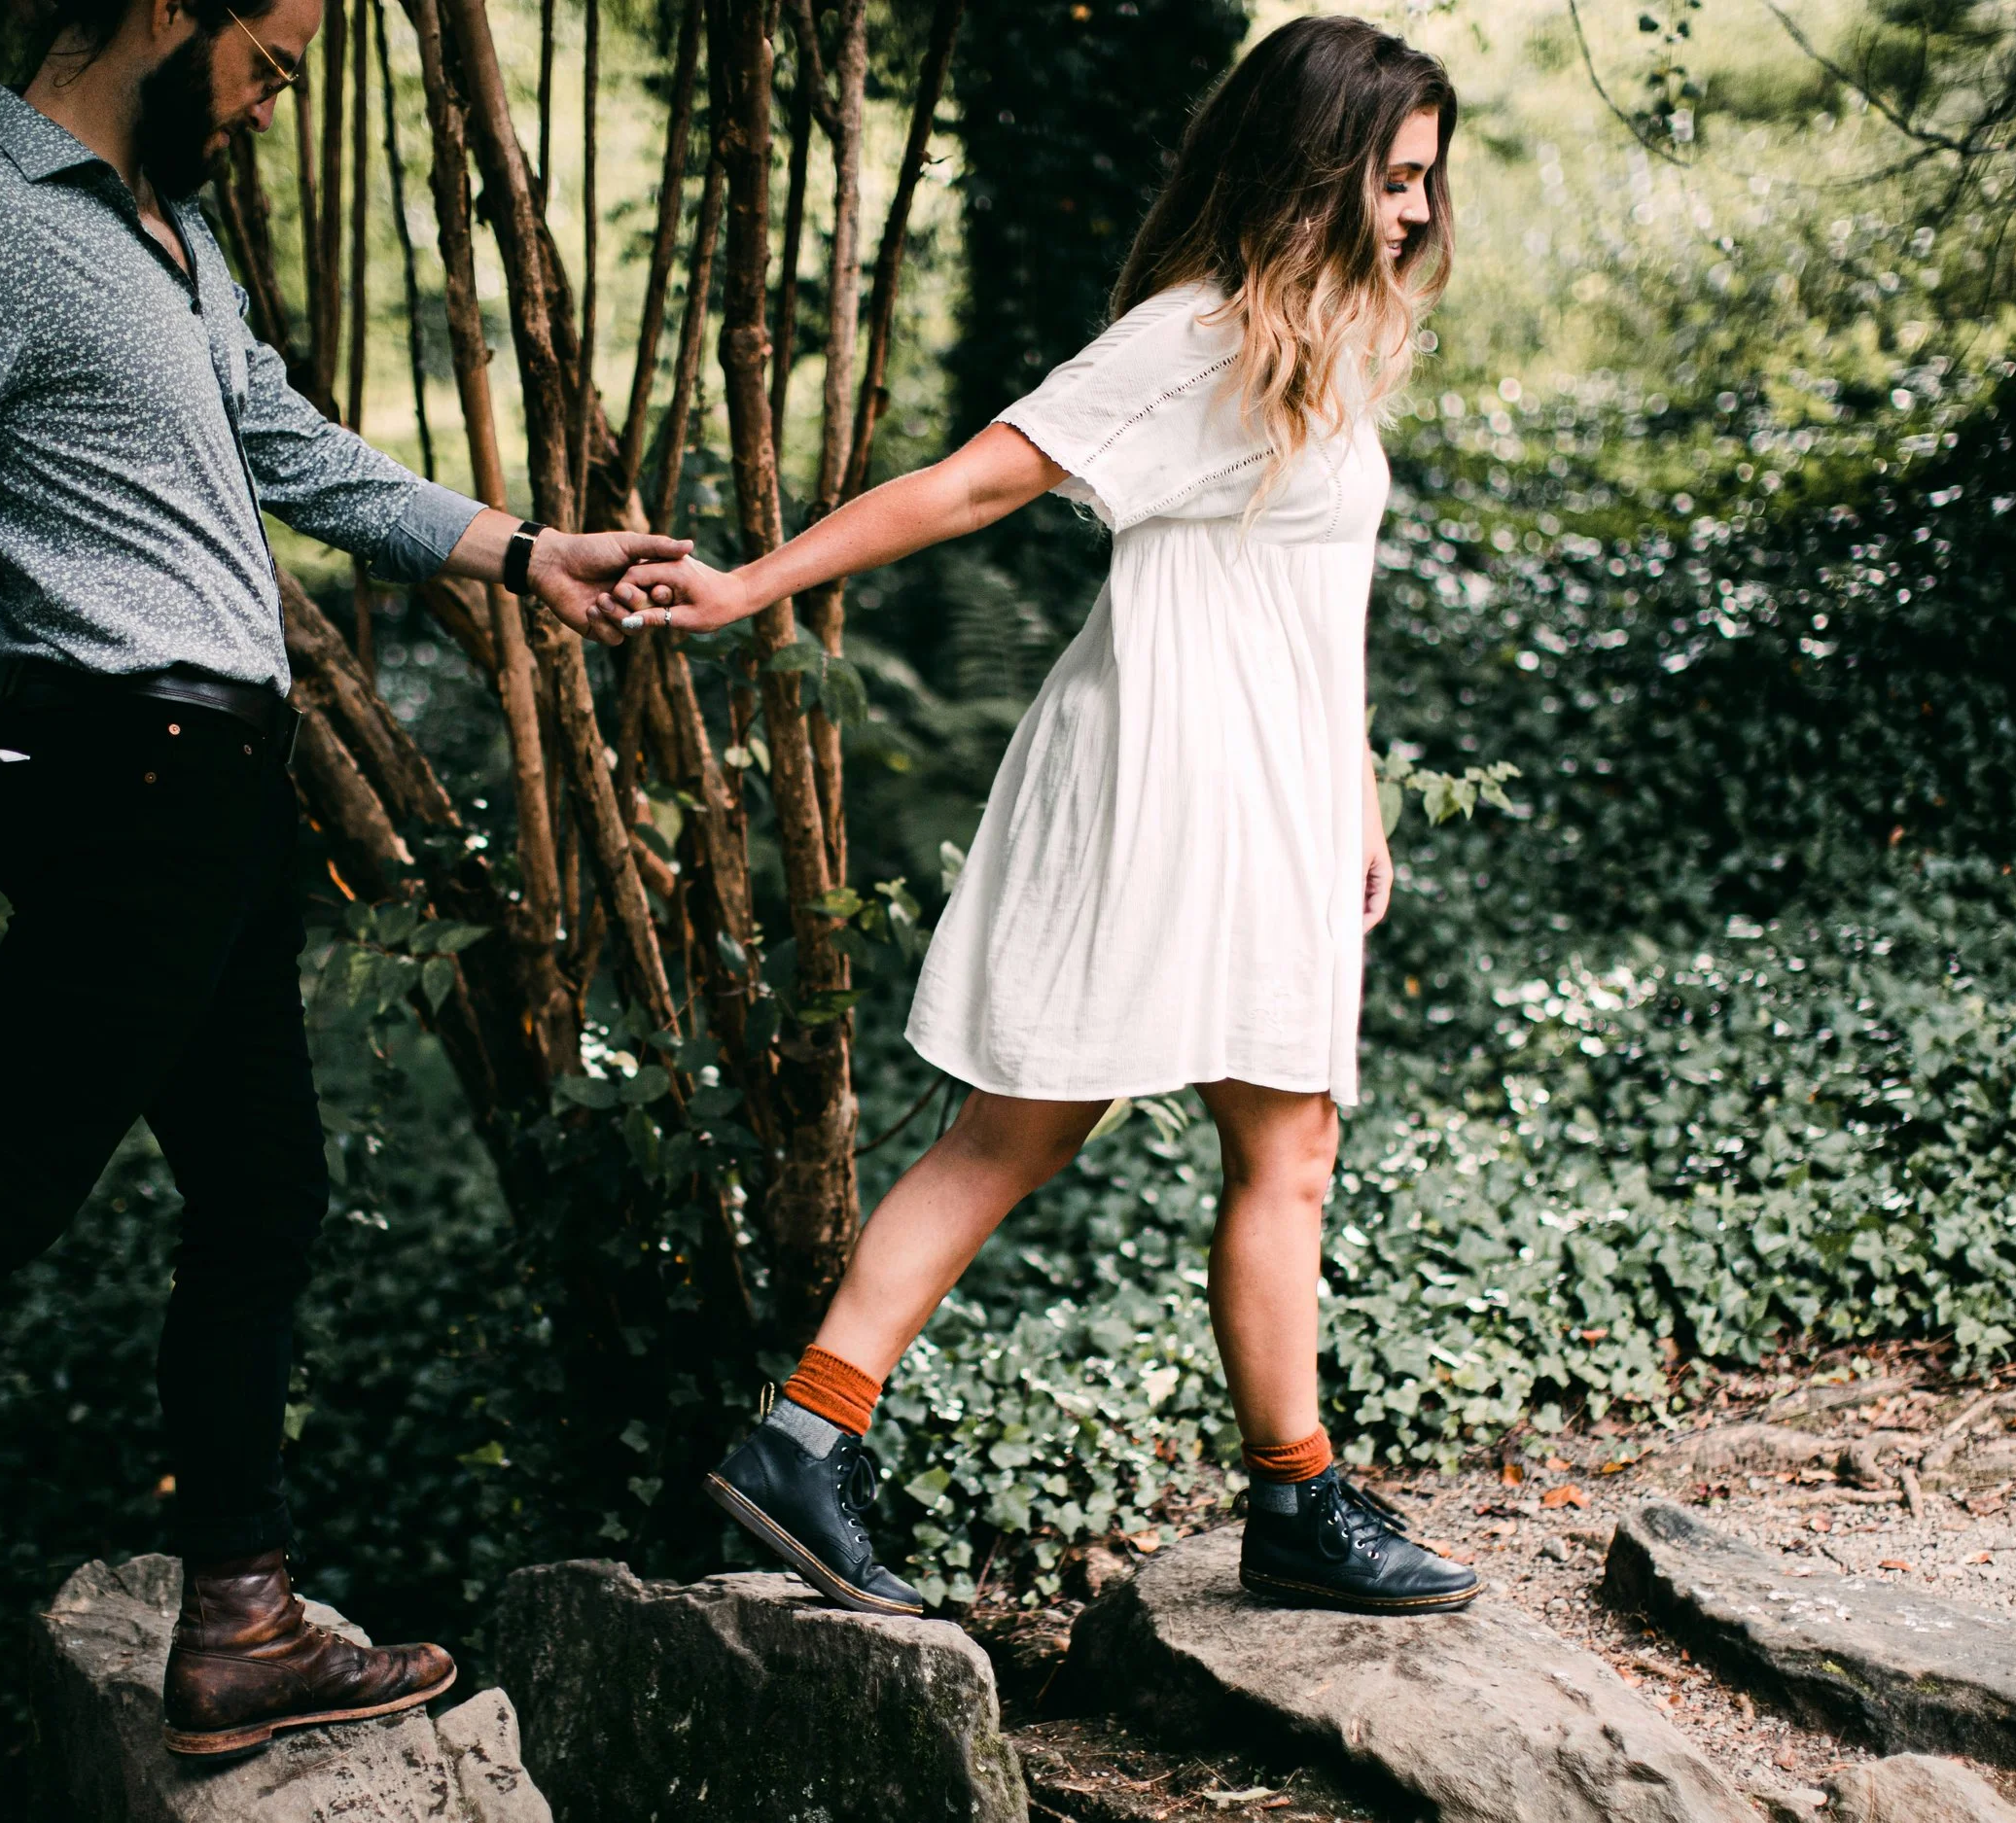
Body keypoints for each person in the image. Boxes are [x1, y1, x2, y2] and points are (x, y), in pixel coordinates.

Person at [0, 0, 684, 1756]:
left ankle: (241, 1621)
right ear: (169, 6)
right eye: (272, 54)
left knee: (266, 1196)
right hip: (122, 773)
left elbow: (289, 446)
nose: (279, 98)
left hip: (220, 788)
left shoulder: (164, 239)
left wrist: (524, 550)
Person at [596, 15, 1479, 1620]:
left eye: (1426, 182)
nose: (1416, 213)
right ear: (1315, 165)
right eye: (1395, 178)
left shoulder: (1321, 341)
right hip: (1160, 780)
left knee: (1268, 1142)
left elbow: (1313, 595)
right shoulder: (1191, 337)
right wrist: (747, 588)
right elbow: (968, 482)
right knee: (1053, 1125)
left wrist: (1351, 779)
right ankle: (838, 1446)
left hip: (1270, 793)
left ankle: (1268, 1496)